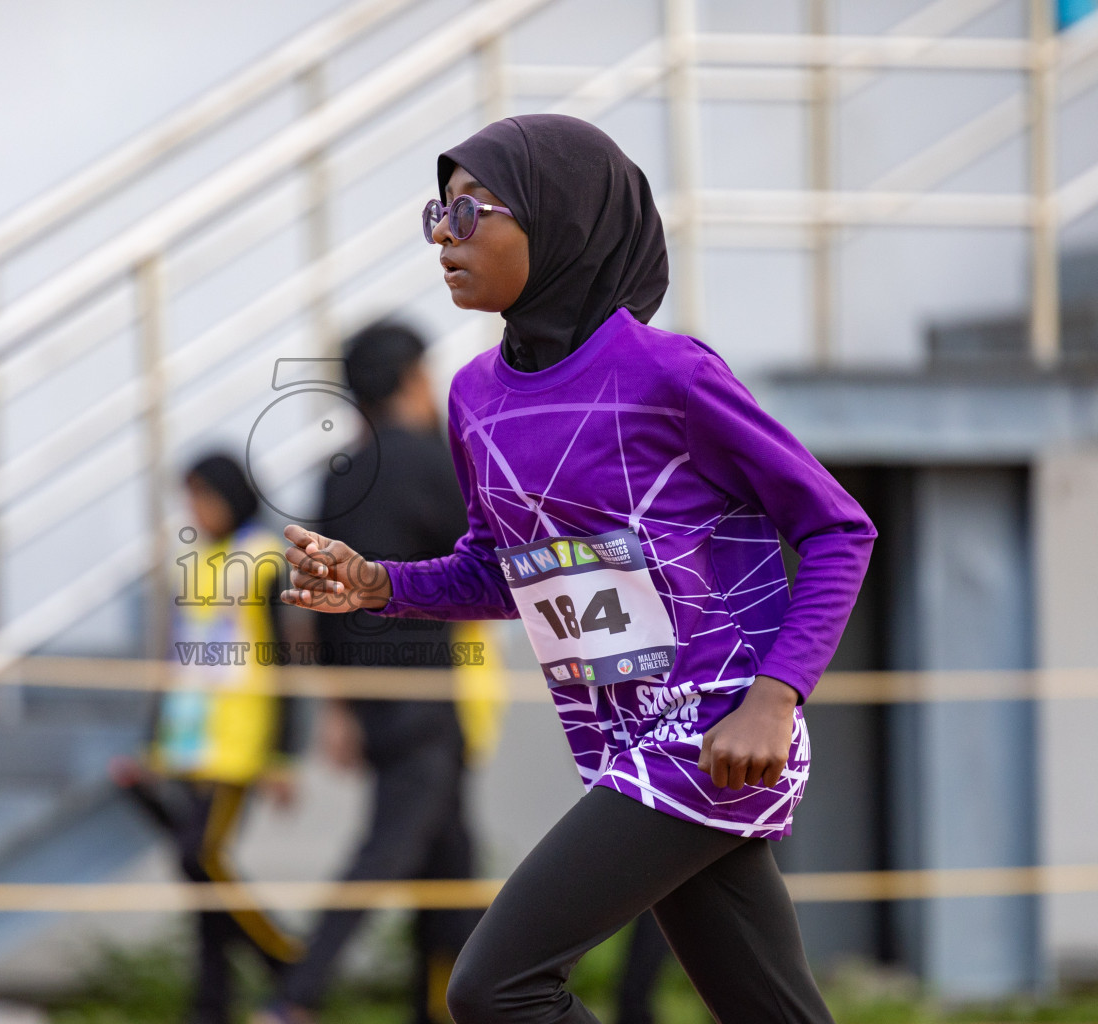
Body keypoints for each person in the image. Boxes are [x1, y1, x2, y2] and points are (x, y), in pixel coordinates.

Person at [279, 114, 876, 1024]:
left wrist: (774, 697)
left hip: (712, 736)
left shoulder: (668, 373)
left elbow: (839, 528)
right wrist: (380, 585)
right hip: (620, 745)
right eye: (437, 212)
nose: (444, 235)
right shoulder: (474, 396)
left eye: (473, 212)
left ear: (561, 220)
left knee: (496, 987)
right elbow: (501, 570)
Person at [258, 323, 481, 1024]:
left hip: (373, 697)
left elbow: (320, 606)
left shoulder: (340, 473)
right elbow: (482, 556)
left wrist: (339, 706)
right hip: (422, 692)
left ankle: (447, 1007)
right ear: (412, 378)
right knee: (387, 852)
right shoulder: (425, 458)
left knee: (450, 864)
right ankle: (296, 998)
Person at [110, 452, 303, 1024]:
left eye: (204, 496)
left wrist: (282, 754)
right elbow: (175, 656)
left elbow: (282, 658)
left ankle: (288, 960)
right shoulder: (191, 558)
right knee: (201, 879)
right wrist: (153, 742)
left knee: (202, 857)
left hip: (240, 740)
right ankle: (211, 1006)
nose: (196, 509)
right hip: (188, 738)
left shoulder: (264, 558)